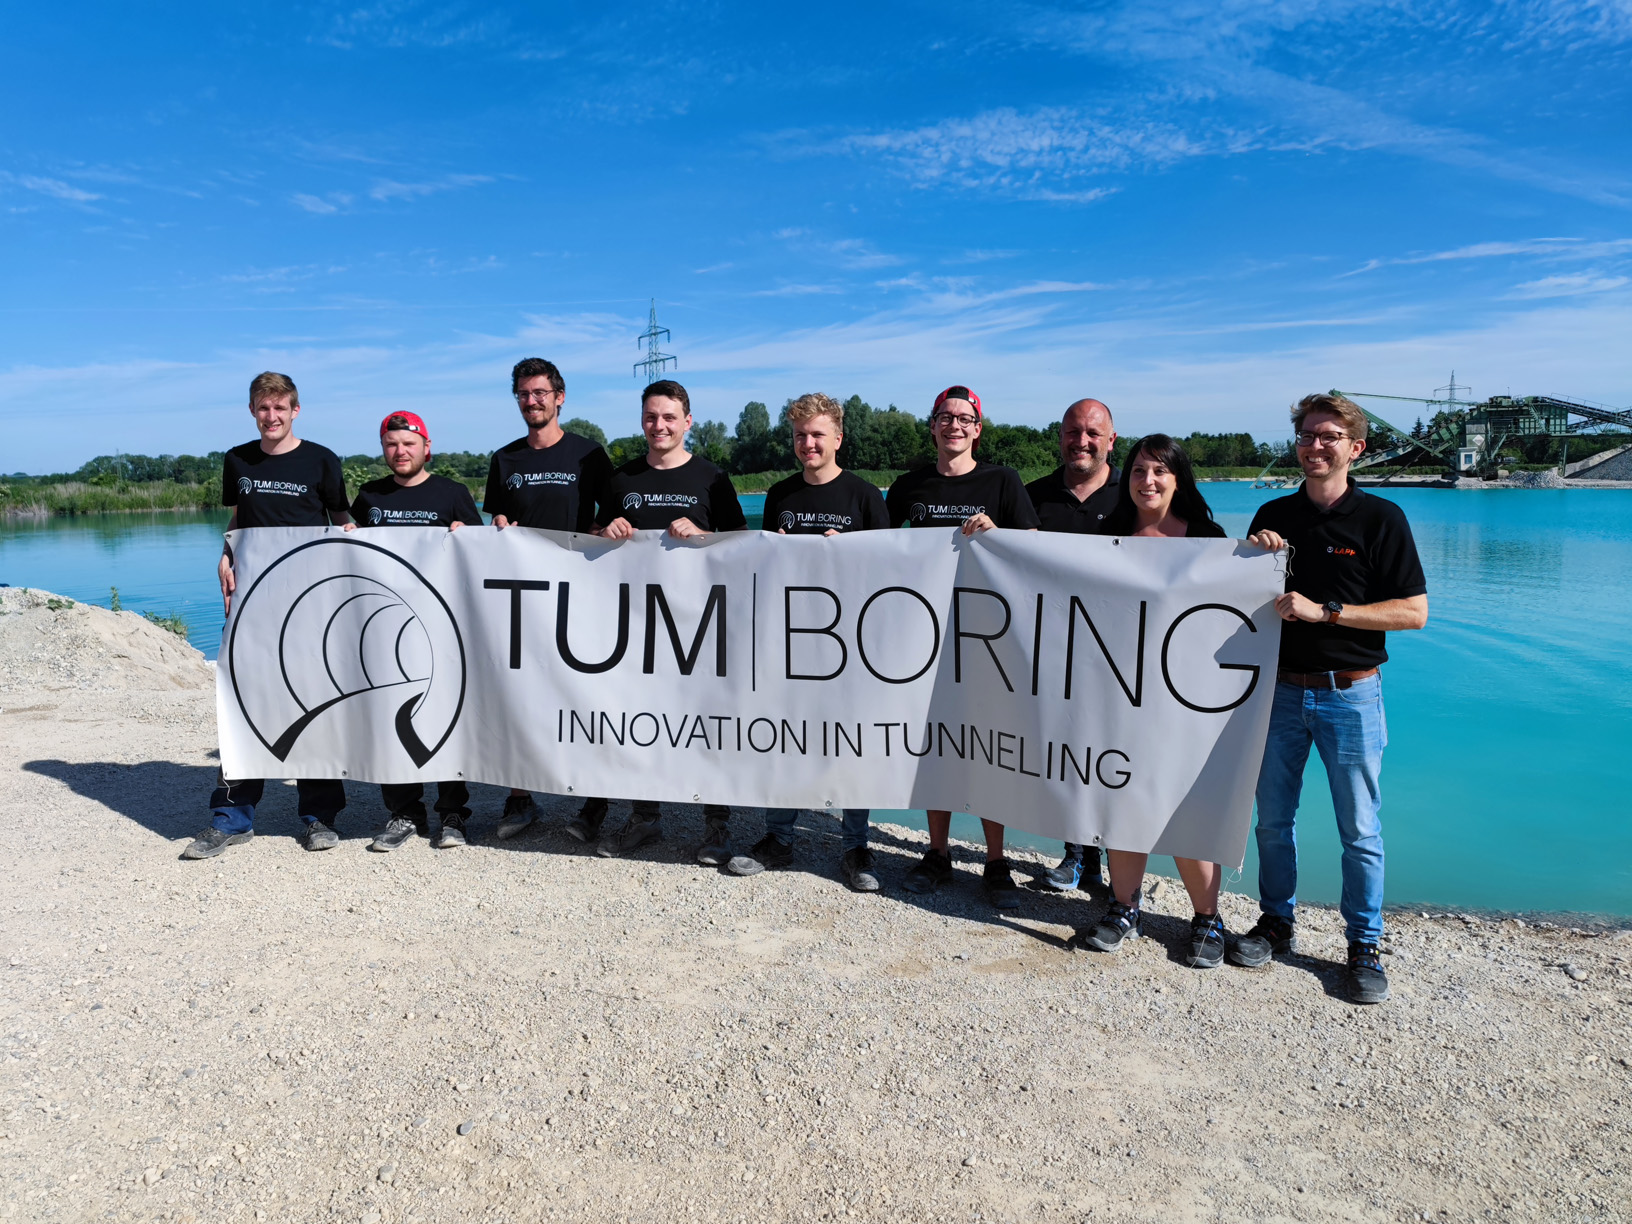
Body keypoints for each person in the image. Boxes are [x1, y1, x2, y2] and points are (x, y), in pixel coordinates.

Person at [1229, 394, 1428, 1005]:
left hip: (1352, 694)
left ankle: (1364, 944)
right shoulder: (1274, 513)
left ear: (1355, 448)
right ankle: (1276, 921)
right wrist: (1253, 556)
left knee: (1359, 829)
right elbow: (1238, 597)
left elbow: (1414, 613)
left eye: (1329, 436)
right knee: (1272, 821)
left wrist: (1328, 612)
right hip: (1280, 692)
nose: (1315, 446)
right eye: (1307, 436)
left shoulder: (1382, 519)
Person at [1074, 434, 1236, 968]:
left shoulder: (1208, 538)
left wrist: (1266, 551)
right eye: (1140, 471)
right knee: (1124, 798)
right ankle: (1125, 907)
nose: (1148, 481)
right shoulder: (1109, 536)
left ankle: (1207, 918)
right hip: (1119, 693)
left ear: (1178, 479)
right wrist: (994, 539)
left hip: (1186, 697)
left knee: (1187, 803)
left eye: (1160, 471)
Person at [183, 372, 352, 860]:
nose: (271, 416)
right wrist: (225, 551)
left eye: (280, 407)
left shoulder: (322, 459)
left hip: (311, 605)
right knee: (242, 704)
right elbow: (240, 519)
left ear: (295, 410)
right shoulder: (238, 459)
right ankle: (231, 818)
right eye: (263, 408)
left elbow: (341, 521)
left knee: (317, 703)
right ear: (252, 411)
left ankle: (319, 817)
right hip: (254, 603)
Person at [725, 392, 889, 892]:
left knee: (852, 743)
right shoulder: (781, 494)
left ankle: (856, 846)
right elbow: (763, 565)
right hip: (791, 640)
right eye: (800, 435)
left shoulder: (865, 496)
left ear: (838, 437)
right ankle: (778, 837)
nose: (808, 443)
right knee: (786, 736)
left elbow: (891, 570)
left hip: (851, 642)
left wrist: (851, 553)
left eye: (818, 434)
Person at [885, 385, 1040, 908]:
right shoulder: (908, 486)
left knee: (989, 741)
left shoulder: (1003, 480)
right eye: (945, 417)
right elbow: (880, 548)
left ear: (978, 428)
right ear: (932, 426)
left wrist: (999, 534)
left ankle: (996, 860)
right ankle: (937, 852)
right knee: (936, 743)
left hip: (988, 636)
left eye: (964, 418)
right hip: (925, 634)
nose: (954, 425)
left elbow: (1033, 549)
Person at [592, 379, 748, 861]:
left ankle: (717, 824)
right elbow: (592, 537)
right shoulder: (622, 479)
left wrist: (703, 535)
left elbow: (743, 542)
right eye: (650, 417)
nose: (658, 425)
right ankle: (644, 817)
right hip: (637, 623)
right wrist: (606, 529)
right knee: (641, 716)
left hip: (699, 621)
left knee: (707, 719)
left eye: (668, 417)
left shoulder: (711, 477)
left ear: (687, 421)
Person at [482, 357, 616, 843]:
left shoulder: (589, 454)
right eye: (523, 394)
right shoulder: (505, 459)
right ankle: (521, 798)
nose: (531, 401)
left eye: (540, 392)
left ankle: (594, 801)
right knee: (521, 694)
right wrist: (499, 525)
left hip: (582, 591)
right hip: (524, 596)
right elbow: (496, 520)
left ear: (559, 397)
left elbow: (612, 513)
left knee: (586, 694)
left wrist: (600, 529)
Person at [345, 411, 483, 851]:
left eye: (408, 443)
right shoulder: (370, 495)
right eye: (391, 444)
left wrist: (467, 534)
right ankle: (404, 812)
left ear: (426, 447)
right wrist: (346, 534)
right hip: (385, 628)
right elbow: (348, 553)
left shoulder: (453, 493)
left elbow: (482, 556)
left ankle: (453, 813)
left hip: (443, 626)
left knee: (446, 718)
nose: (400, 451)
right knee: (391, 718)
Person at [1025, 398, 1121, 897]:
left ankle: (1117, 864)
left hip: (1122, 652)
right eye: (1072, 431)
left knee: (1115, 756)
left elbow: (1190, 541)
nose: (1081, 441)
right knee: (1067, 753)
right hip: (1053, 647)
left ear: (1111, 440)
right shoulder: (1033, 495)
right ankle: (1078, 855)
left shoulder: (1136, 492)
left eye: (1092, 433)